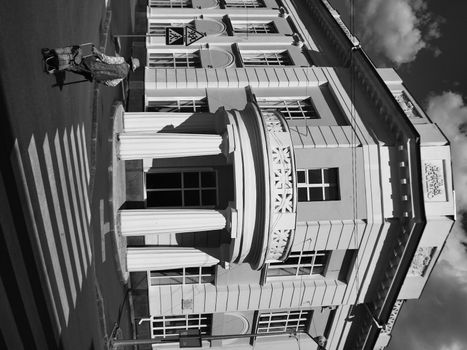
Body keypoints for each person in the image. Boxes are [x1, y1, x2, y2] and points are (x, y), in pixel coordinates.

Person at [42, 45, 140, 87]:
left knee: (74, 57)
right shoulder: (123, 76)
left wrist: (98, 53)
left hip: (94, 63)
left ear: (129, 61)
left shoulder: (121, 60)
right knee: (75, 68)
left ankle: (51, 55)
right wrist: (100, 79)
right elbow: (111, 84)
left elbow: (108, 60)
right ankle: (54, 67)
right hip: (94, 75)